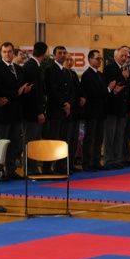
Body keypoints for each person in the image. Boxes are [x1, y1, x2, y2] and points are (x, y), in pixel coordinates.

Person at [0, 42, 32, 179]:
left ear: (13, 53)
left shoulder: (19, 69)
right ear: (1, 53)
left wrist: (25, 91)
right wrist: (17, 92)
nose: (7, 54)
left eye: (9, 51)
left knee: (14, 143)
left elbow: (22, 87)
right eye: (4, 52)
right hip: (4, 112)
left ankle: (11, 169)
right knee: (1, 142)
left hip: (17, 112)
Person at [43, 46, 76, 174]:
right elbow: (52, 90)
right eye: (60, 53)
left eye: (64, 53)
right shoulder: (50, 70)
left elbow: (72, 91)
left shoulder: (67, 72)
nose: (62, 55)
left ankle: (61, 166)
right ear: (54, 56)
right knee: (52, 140)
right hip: (55, 110)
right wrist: (63, 104)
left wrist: (69, 104)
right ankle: (47, 167)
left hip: (66, 112)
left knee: (63, 140)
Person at [80, 50, 113, 171]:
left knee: (99, 138)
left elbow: (103, 93)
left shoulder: (100, 75)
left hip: (101, 111)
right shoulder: (86, 75)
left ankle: (96, 161)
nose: (100, 61)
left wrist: (109, 90)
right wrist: (108, 89)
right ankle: (86, 162)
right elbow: (92, 93)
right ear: (90, 60)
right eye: (97, 58)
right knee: (89, 138)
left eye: (101, 59)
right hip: (91, 111)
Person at [103, 46, 130, 169]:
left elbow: (127, 91)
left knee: (119, 135)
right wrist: (123, 77)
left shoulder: (125, 69)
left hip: (122, 108)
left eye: (125, 56)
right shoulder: (109, 68)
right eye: (122, 56)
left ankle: (117, 158)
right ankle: (108, 160)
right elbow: (110, 86)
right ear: (115, 56)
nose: (124, 58)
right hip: (112, 107)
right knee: (110, 136)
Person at [21, 41, 47, 174]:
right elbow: (33, 93)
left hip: (33, 111)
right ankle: (29, 168)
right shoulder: (31, 67)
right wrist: (38, 112)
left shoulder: (33, 66)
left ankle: (33, 167)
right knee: (30, 141)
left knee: (34, 141)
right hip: (31, 113)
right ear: (44, 54)